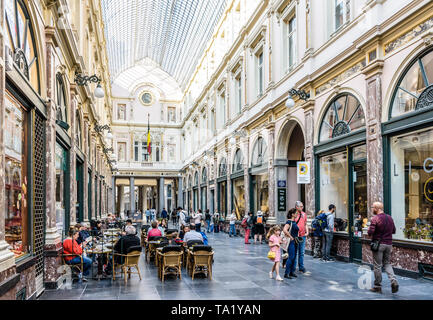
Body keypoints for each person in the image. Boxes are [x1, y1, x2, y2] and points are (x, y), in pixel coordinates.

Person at [368, 201, 399, 294]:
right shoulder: (389, 217)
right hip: (389, 244)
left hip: (379, 244)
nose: (372, 209)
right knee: (387, 263)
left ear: (377, 209)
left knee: (377, 265)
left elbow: (370, 232)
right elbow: (393, 230)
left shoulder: (375, 218)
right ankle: (394, 281)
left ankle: (377, 286)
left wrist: (371, 229)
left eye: (373, 207)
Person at [283, 208, 299, 279]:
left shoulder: (294, 222)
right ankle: (286, 273)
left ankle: (292, 272)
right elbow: (284, 230)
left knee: (294, 257)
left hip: (295, 241)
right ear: (292, 214)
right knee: (291, 257)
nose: (297, 214)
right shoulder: (289, 222)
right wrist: (291, 236)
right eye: (296, 213)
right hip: (291, 241)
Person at [294, 201, 308, 273]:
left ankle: (301, 267)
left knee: (301, 252)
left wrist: (307, 231)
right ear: (297, 207)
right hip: (295, 236)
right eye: (301, 206)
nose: (302, 207)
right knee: (295, 252)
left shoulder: (304, 214)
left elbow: (305, 224)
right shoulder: (294, 214)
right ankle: (293, 267)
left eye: (302, 206)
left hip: (302, 236)